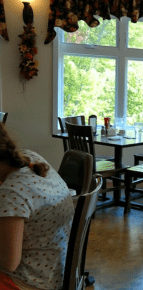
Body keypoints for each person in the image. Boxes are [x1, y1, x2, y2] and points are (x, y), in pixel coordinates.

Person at [0, 123, 74, 290]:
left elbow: (8, 264)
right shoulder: (31, 159)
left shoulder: (11, 193)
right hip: (56, 268)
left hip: (31, 282)